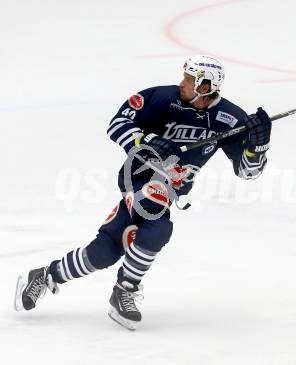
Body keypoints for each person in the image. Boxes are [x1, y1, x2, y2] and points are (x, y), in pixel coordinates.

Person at [14, 55, 272, 330]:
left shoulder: (230, 118)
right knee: (158, 224)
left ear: (206, 86)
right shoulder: (161, 98)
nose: (182, 83)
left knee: (105, 252)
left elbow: (248, 172)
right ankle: (125, 289)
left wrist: (258, 145)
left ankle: (45, 275)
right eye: (184, 76)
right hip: (137, 177)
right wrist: (147, 142)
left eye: (190, 79)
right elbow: (116, 124)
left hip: (170, 190)